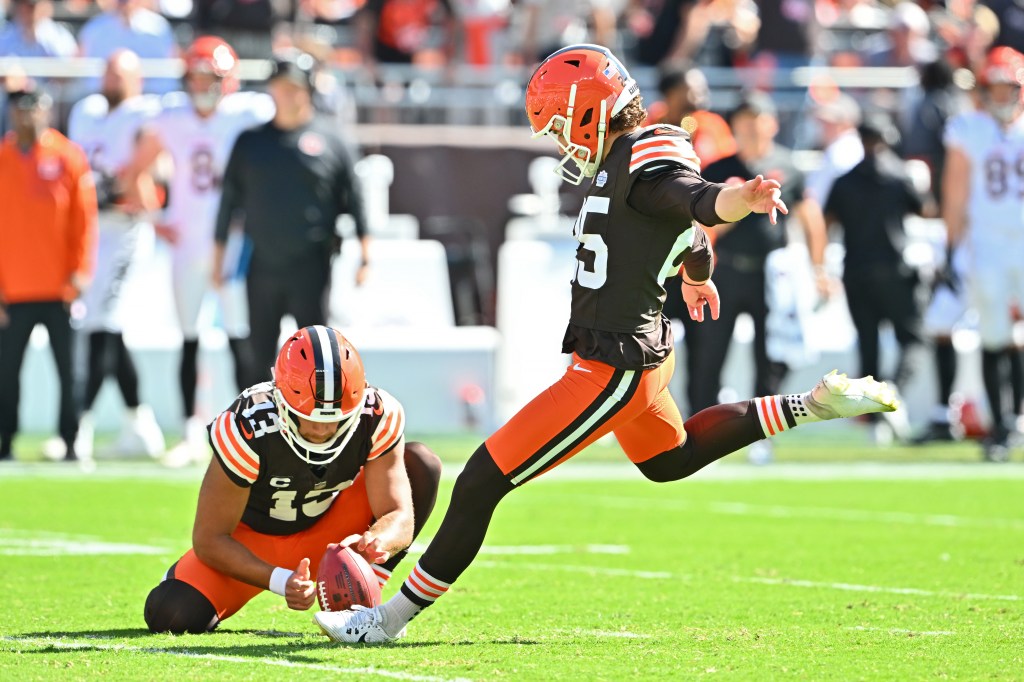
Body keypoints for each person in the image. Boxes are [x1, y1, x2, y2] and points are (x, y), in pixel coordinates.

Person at [314, 44, 899, 644]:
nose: (561, 139)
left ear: (590, 110)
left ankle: (385, 620)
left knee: (481, 482)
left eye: (562, 123)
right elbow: (687, 230)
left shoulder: (647, 155)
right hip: (636, 358)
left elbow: (696, 199)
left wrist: (738, 200)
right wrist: (696, 276)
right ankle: (814, 404)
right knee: (669, 461)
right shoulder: (619, 160)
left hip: (612, 369)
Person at [143, 325, 442, 633]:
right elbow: (210, 538)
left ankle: (365, 595)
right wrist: (280, 579)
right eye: (310, 417)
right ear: (280, 398)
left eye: (335, 420)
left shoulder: (376, 414)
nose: (322, 431)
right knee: (172, 614)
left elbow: (398, 514)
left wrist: (376, 541)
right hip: (253, 542)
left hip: (332, 533)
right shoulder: (247, 427)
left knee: (420, 463)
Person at [128, 36, 275, 466]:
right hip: (189, 240)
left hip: (233, 243)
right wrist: (157, 218)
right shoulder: (172, 117)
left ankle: (252, 431)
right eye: (196, 76)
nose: (202, 85)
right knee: (189, 337)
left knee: (239, 336)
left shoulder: (247, 114)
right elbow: (136, 167)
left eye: (211, 76)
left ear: (228, 80)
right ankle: (193, 431)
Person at [214, 49, 370, 389]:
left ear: (308, 90)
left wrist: (365, 253)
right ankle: (257, 433)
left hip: (311, 264)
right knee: (258, 355)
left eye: (293, 87)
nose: (285, 95)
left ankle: (316, 430)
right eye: (279, 87)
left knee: (317, 355)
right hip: (262, 263)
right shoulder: (250, 142)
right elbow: (228, 203)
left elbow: (355, 198)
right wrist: (218, 258)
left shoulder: (332, 139)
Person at [689, 91, 829, 463]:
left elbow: (809, 216)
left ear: (772, 123)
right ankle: (702, 430)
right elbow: (698, 223)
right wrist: (733, 209)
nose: (751, 129)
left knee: (773, 353)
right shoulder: (718, 168)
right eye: (744, 122)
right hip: (727, 268)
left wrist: (819, 269)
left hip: (774, 273)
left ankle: (759, 431)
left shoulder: (788, 165)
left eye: (757, 121)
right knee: (710, 350)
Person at [66, 50, 167, 460]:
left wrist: (125, 182)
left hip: (125, 229)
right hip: (90, 228)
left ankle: (78, 424)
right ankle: (139, 423)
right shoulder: (86, 111)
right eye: (107, 71)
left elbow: (148, 175)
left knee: (103, 324)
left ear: (137, 79)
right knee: (103, 325)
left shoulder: (145, 113)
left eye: (119, 73)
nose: (110, 79)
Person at [0, 85, 98, 462]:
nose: (27, 115)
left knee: (70, 371)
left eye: (33, 107)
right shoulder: (4, 156)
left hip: (60, 288)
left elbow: (84, 220)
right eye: (19, 108)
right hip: (14, 289)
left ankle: (72, 441)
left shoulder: (68, 156)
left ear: (46, 110)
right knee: (7, 372)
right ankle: (5, 439)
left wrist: (80, 272)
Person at [942, 46, 1024, 461]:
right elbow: (955, 193)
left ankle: (1014, 421)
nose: (1001, 96)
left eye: (1009, 87)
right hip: (988, 244)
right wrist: (951, 246)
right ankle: (1002, 425)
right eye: (995, 87)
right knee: (994, 335)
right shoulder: (968, 128)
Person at [824, 119, 928, 443]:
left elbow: (827, 220)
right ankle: (892, 388)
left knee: (868, 346)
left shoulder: (844, 181)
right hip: (895, 269)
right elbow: (924, 210)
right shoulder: (900, 176)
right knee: (913, 339)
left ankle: (873, 421)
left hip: (856, 270)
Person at [76, 0, 179, 94]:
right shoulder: (94, 28)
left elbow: (170, 69)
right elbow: (84, 72)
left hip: (153, 99)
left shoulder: (159, 27)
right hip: (105, 98)